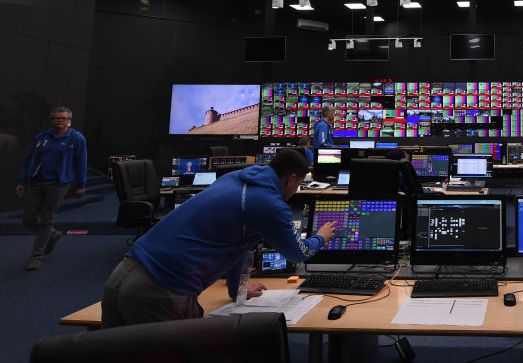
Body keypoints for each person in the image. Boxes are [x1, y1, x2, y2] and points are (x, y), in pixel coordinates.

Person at [100, 149, 336, 328]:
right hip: (161, 290)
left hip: (124, 274)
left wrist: (237, 292)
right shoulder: (268, 203)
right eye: (298, 185)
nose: (295, 192)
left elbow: (241, 246)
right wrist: (321, 237)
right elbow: (298, 252)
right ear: (292, 179)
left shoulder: (236, 178)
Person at [16, 107, 87, 271]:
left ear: (69, 121)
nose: (59, 121)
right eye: (56, 118)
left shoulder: (77, 139)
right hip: (37, 181)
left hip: (59, 184)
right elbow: (30, 159)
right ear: (52, 120)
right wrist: (22, 180)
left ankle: (36, 256)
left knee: (47, 220)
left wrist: (81, 185)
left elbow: (81, 163)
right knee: (28, 218)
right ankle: (52, 235)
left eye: (63, 118)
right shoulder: (42, 137)